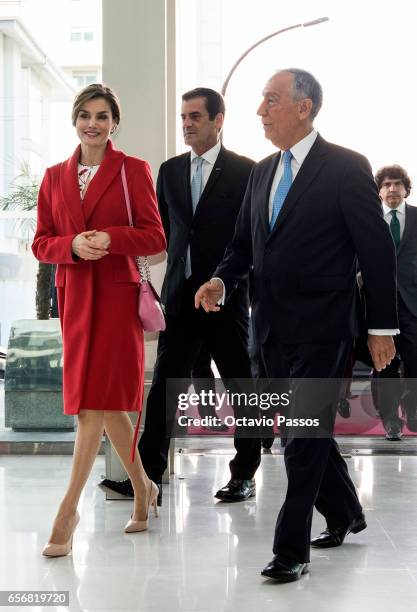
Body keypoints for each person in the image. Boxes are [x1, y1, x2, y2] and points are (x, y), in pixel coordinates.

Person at [195, 68, 398, 582]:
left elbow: (376, 254)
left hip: (326, 326)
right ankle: (348, 511)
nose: (261, 111)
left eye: (271, 100)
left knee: (302, 440)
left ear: (303, 107)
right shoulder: (262, 172)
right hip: (269, 328)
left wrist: (382, 329)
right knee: (301, 429)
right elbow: (244, 244)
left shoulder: (347, 167)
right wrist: (221, 280)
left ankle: (291, 549)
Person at [100, 87, 261, 504]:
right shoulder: (170, 171)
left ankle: (244, 473)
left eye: (195, 117)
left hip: (225, 297)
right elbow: (161, 234)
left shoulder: (247, 171)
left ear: (218, 120)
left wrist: (229, 283)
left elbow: (251, 239)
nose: (187, 124)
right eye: (183, 117)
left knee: (240, 385)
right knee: (165, 387)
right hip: (179, 298)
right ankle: (147, 476)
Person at [32, 83, 166, 557]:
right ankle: (145, 489)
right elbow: (42, 242)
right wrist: (69, 246)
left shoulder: (133, 171)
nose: (93, 123)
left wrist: (107, 239)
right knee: (107, 405)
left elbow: (154, 237)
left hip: (114, 297)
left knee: (94, 403)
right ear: (75, 119)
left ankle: (67, 512)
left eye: (103, 115)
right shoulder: (53, 177)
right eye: (86, 114)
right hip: (74, 298)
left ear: (114, 122)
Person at [369, 165, 417, 440]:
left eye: (397, 184)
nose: (392, 189)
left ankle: (413, 410)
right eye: (386, 184)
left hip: (413, 304)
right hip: (380, 304)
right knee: (385, 363)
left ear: (406, 189)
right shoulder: (371, 218)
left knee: (414, 360)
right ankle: (390, 420)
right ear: (379, 190)